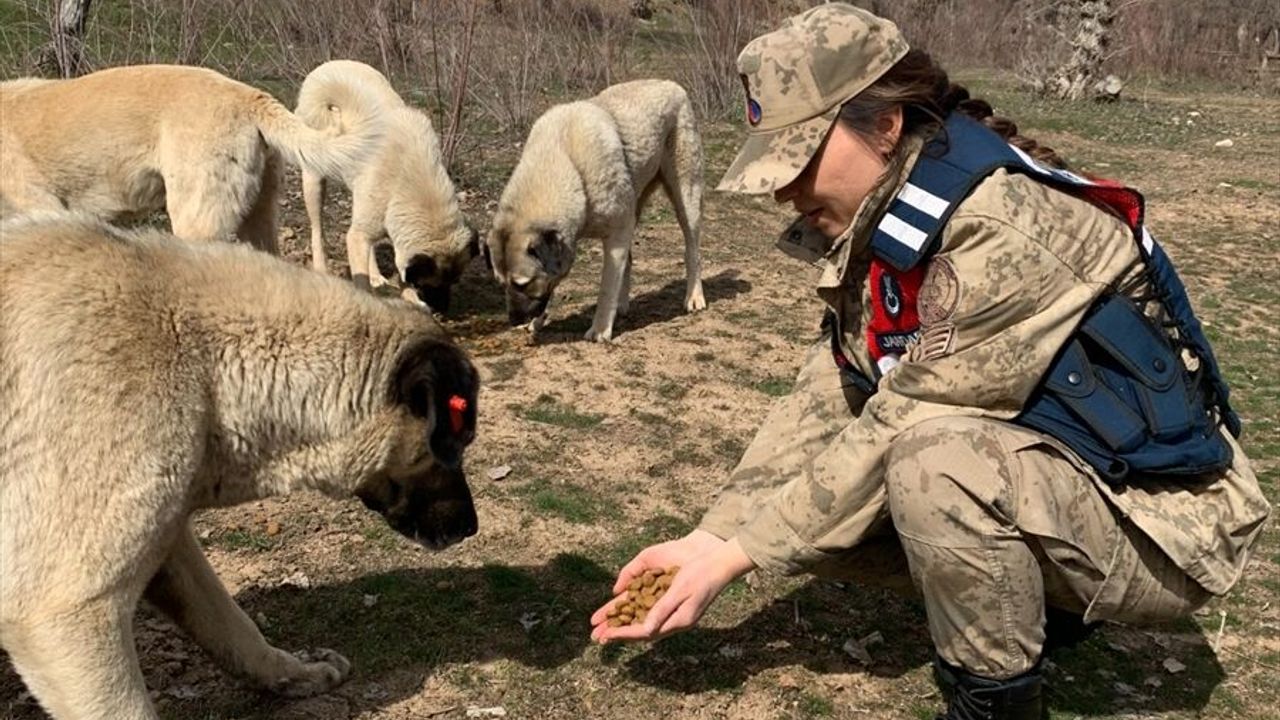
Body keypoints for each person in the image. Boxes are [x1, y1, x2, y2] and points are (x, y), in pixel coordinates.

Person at [588, 4, 1272, 719]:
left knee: (933, 464)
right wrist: (713, 535)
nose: (785, 189)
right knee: (831, 501)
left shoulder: (999, 229)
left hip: (1166, 525)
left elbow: (902, 420)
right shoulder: (895, 215)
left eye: (803, 157)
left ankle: (996, 705)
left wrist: (734, 560)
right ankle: (1038, 600)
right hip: (1071, 476)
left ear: (886, 125)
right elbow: (835, 388)